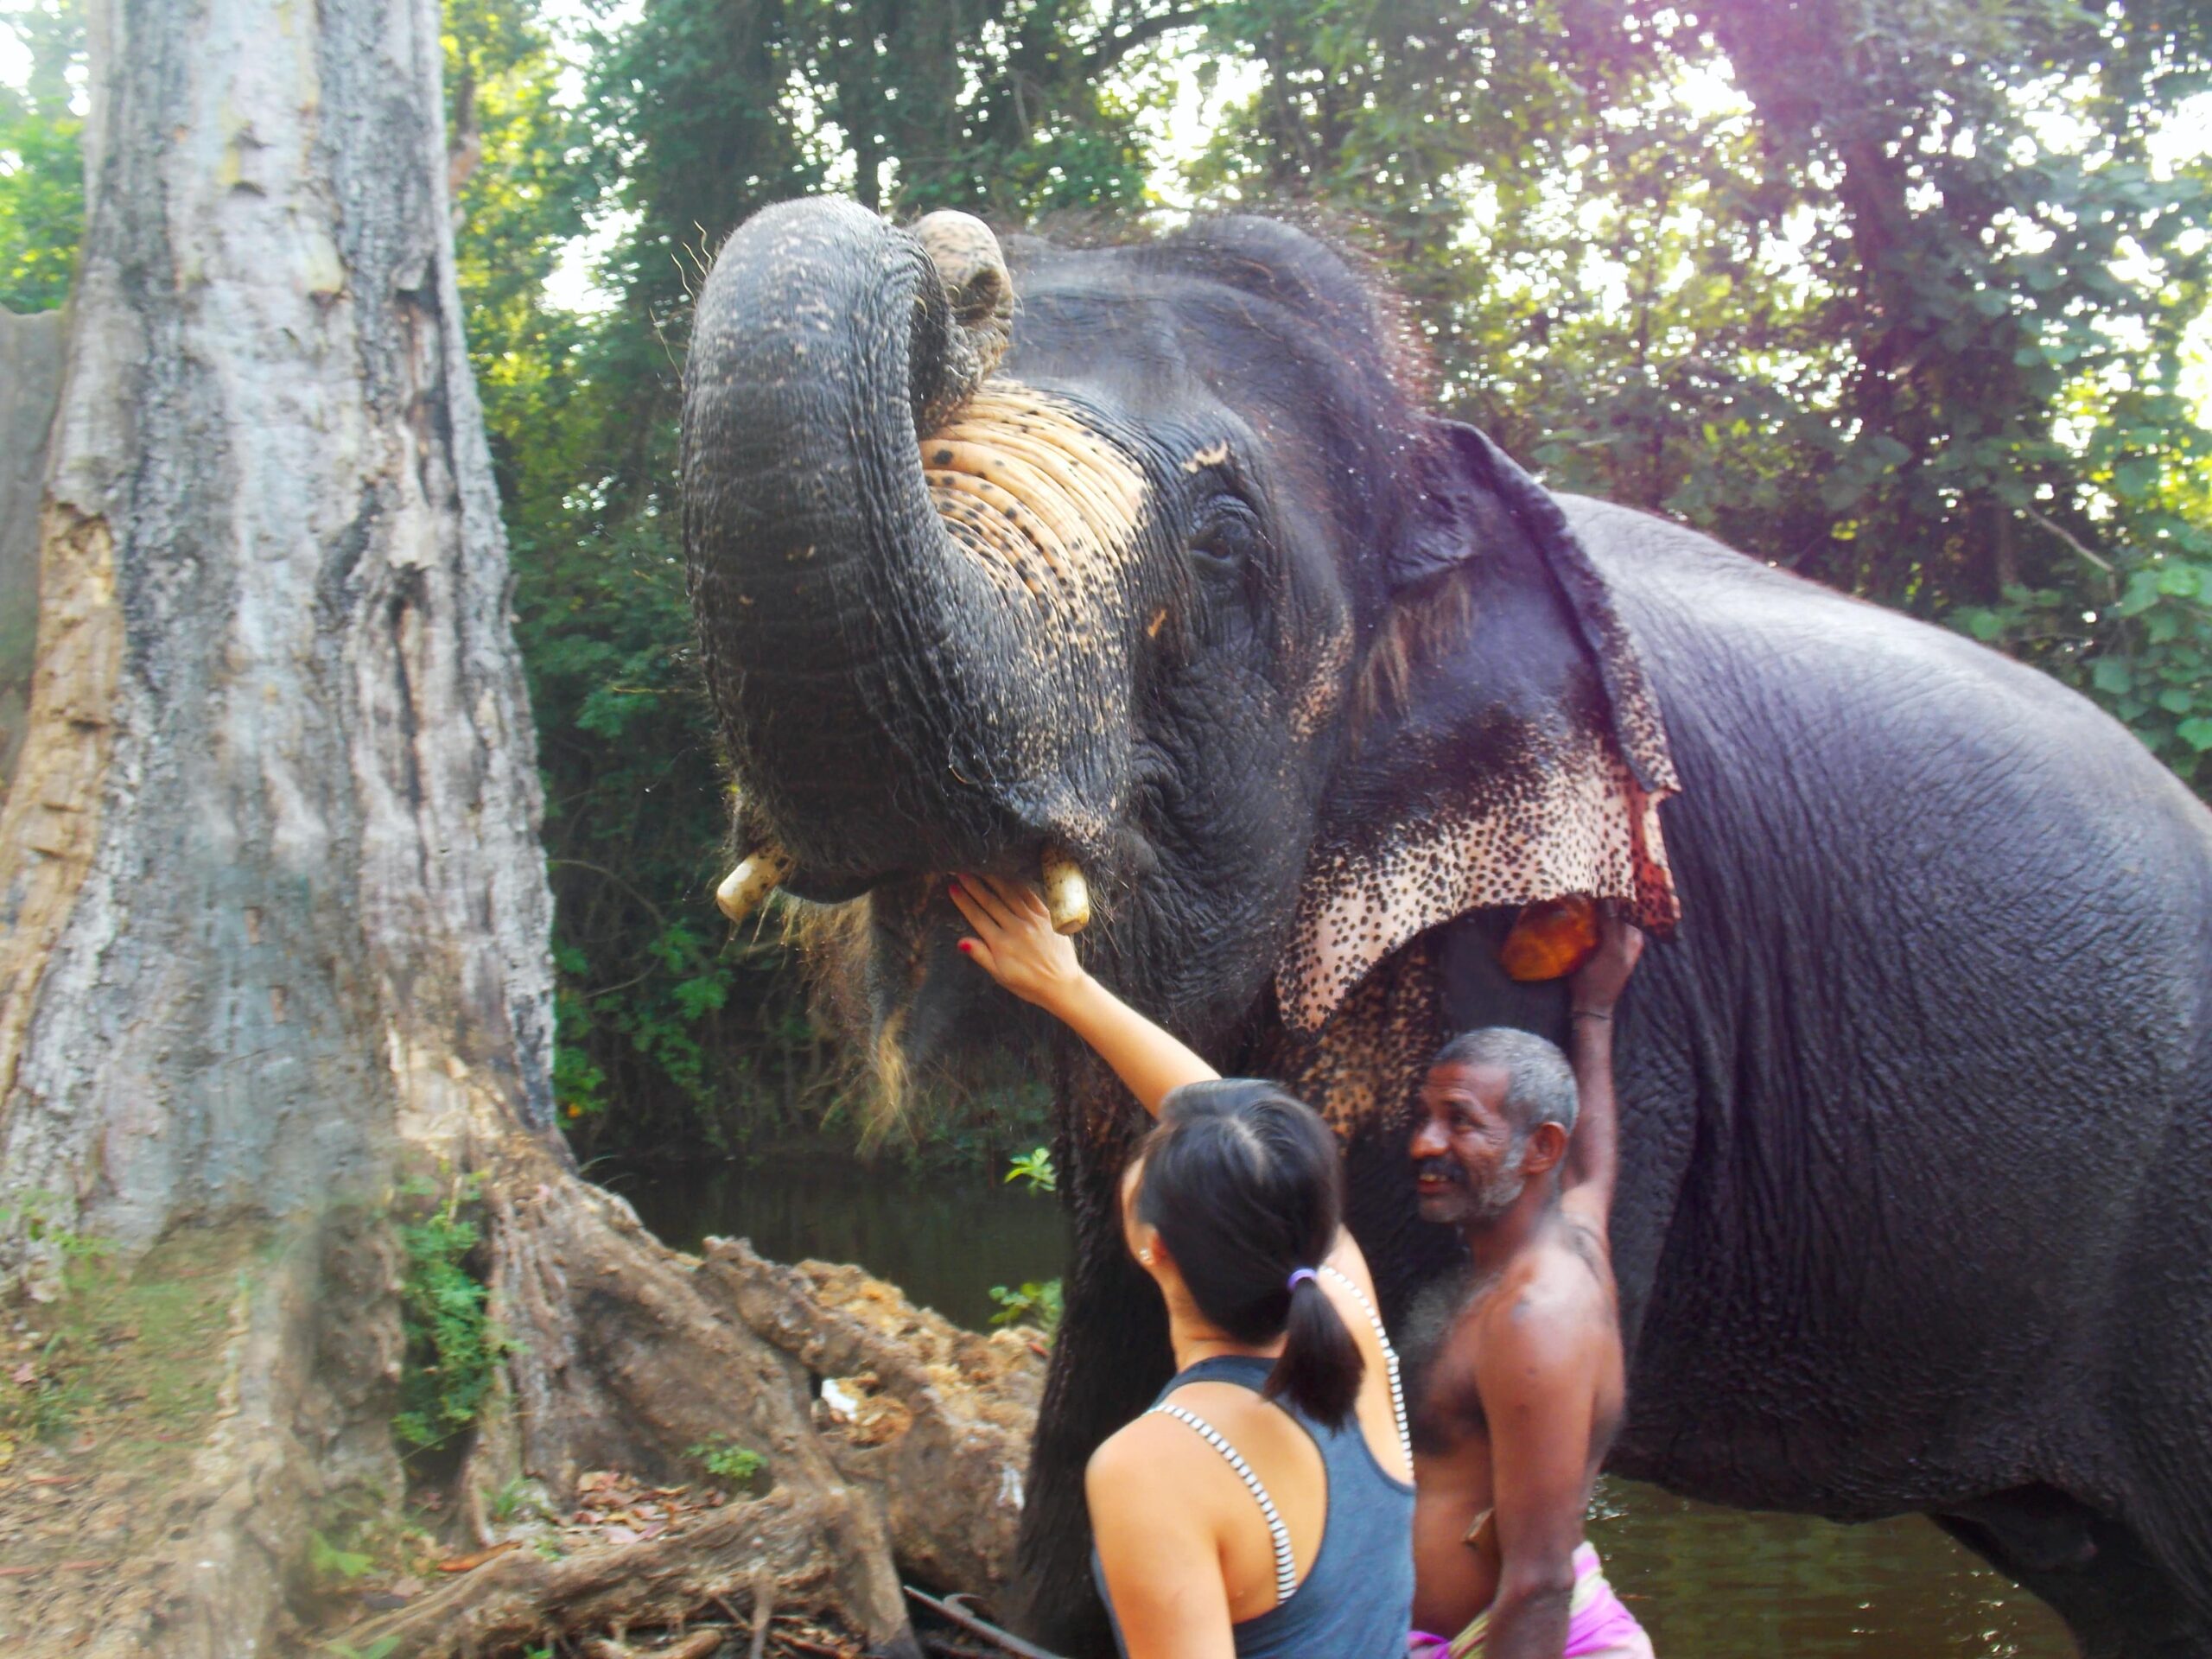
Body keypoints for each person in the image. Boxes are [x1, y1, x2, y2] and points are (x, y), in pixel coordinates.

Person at [948, 873, 1416, 1659]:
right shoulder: (1348, 1311)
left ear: (1150, 1244)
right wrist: (1067, 987)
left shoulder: (1156, 1469)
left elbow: (1225, 1120)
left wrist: (1070, 990)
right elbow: (1234, 1122)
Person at [1407, 911, 1653, 1659]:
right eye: (1426, 1116)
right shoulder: (1571, 1231)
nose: (1425, 1143)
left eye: (1460, 1122)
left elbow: (1539, 1583)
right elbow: (1592, 1168)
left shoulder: (1535, 1318)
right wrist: (1595, 1009)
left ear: (1536, 1147)